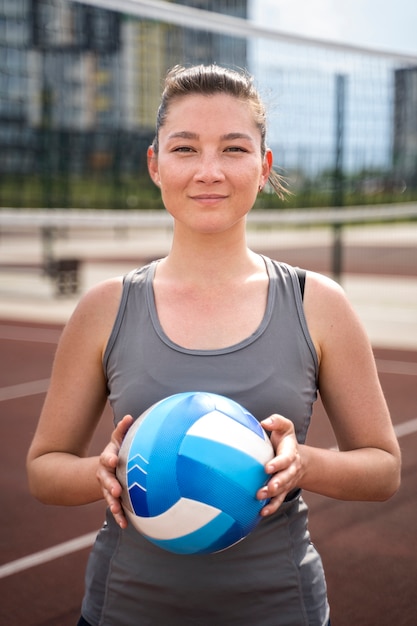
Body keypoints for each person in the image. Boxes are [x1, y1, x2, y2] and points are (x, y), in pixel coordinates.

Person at [27, 64, 401, 626]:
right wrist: (101, 472)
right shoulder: (105, 308)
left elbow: (383, 469)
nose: (209, 171)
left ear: (263, 165)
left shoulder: (317, 304)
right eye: (184, 148)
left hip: (278, 609)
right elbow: (44, 468)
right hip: (125, 610)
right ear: (155, 164)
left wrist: (302, 464)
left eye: (233, 148)